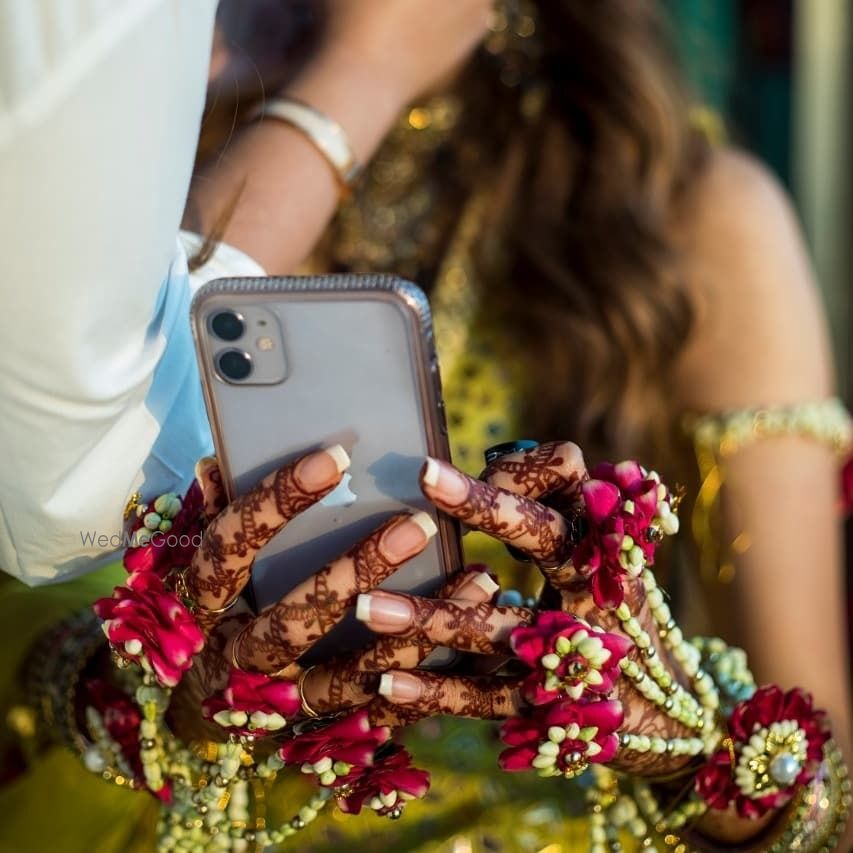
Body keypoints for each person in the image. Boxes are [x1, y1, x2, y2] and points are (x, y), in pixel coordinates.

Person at [0, 1, 849, 851]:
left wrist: (675, 735)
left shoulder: (690, 215)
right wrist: (161, 706)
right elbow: (50, 530)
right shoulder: (132, 103)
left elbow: (822, 793)